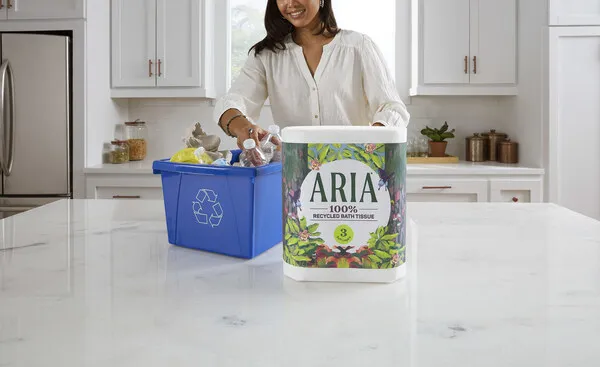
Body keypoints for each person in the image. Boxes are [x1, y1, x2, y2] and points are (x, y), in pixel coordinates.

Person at [214, 0, 410, 149]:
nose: (290, 4)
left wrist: (371, 142)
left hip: (354, 172)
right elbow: (232, 102)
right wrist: (244, 128)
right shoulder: (266, 56)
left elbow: (392, 108)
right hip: (296, 176)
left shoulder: (358, 46)